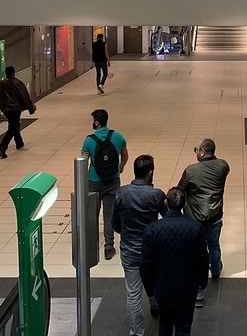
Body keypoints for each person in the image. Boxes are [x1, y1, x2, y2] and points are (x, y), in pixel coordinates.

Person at [140, 187, 208, 336]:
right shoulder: (195, 228)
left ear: (166, 203)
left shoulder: (152, 229)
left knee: (165, 323)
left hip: (162, 287)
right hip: (187, 287)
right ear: (184, 205)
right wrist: (202, 282)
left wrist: (150, 290)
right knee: (184, 326)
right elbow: (202, 259)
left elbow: (145, 264)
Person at [111, 155, 166, 336]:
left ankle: (137, 331)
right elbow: (167, 219)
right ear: (150, 173)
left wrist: (126, 232)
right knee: (156, 283)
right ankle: (156, 306)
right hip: (152, 251)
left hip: (129, 250)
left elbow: (115, 223)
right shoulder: (156, 195)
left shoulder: (122, 193)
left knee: (133, 293)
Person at [177, 138, 229, 308]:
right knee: (214, 245)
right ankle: (215, 270)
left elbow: (180, 190)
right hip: (215, 216)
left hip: (195, 219)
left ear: (202, 152)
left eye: (197, 150)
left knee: (197, 253)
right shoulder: (223, 166)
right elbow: (218, 165)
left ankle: (198, 292)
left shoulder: (191, 171)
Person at [81, 108, 128, 260]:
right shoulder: (117, 136)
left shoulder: (89, 140)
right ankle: (109, 246)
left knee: (92, 214)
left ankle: (91, 246)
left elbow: (83, 162)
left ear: (96, 122)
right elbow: (125, 155)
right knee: (109, 214)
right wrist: (120, 167)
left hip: (94, 181)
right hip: (113, 180)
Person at [0, 66, 36, 159]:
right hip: (15, 109)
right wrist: (30, 108)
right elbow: (24, 96)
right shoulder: (18, 83)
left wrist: (3, 104)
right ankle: (2, 147)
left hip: (6, 109)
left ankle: (19, 142)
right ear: (13, 73)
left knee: (14, 124)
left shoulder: (1, 84)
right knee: (13, 127)